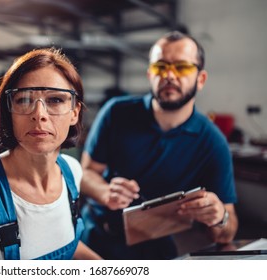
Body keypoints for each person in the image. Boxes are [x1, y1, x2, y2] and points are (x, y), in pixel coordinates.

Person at [80, 31, 238, 260]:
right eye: (160, 66)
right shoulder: (117, 113)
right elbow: (85, 173)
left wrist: (219, 216)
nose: (169, 75)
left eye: (182, 67)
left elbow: (227, 231)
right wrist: (105, 192)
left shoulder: (212, 142)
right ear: (149, 74)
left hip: (155, 248)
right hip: (96, 237)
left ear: (201, 79)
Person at [0, 48, 101, 260]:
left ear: (74, 113)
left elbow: (68, 244)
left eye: (55, 100)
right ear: (9, 112)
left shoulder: (71, 171)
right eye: (24, 100)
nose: (39, 114)